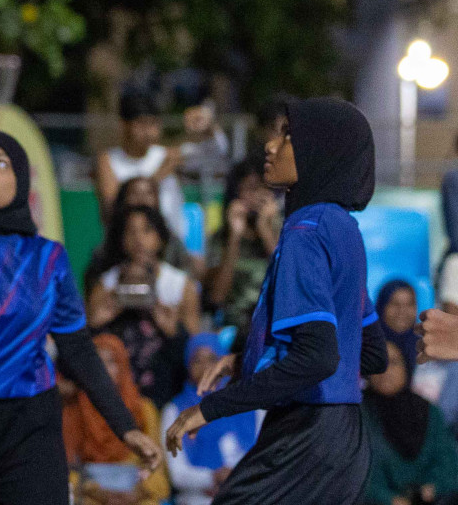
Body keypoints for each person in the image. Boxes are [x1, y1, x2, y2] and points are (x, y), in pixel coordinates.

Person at [165, 97, 388, 505]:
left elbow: (319, 357)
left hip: (305, 436)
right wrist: (253, 357)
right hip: (346, 443)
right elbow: (371, 354)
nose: (271, 145)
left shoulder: (304, 232)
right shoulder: (343, 229)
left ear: (321, 151)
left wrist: (210, 408)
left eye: (287, 135)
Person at [0, 130, 162, 505]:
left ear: (21, 181)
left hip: (30, 418)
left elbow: (77, 348)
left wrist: (125, 426)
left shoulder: (48, 258)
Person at [87, 204, 201, 407]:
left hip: (166, 394)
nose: (138, 239)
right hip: (117, 395)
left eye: (147, 230)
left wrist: (172, 330)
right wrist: (95, 323)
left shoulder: (181, 285)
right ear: (121, 240)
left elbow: (196, 349)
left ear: (160, 237)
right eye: (130, 231)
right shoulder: (106, 286)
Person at [62, 334, 171, 505]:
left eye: (111, 362)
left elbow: (159, 475)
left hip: (136, 495)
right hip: (90, 495)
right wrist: (96, 491)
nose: (103, 369)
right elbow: (66, 470)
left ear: (122, 366)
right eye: (97, 362)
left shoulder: (143, 409)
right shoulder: (75, 409)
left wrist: (137, 492)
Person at [159, 334, 259, 505]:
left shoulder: (250, 405)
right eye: (197, 361)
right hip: (200, 498)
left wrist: (238, 478)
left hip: (249, 494)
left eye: (212, 359)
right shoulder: (175, 410)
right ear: (187, 365)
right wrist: (213, 477)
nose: (205, 366)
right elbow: (178, 473)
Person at [363, 344, 458, 505]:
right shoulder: (357, 415)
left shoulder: (427, 410)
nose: (385, 371)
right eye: (378, 363)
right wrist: (390, 500)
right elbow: (353, 473)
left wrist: (431, 488)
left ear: (406, 366)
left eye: (393, 362)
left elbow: (448, 463)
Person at [203, 156, 282, 332]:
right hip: (234, 328)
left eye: (262, 188)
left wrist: (266, 231)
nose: (256, 196)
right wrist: (234, 238)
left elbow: (288, 278)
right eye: (250, 189)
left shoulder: (283, 231)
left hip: (274, 323)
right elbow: (217, 297)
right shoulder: (220, 238)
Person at [96, 91, 186, 240]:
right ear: (124, 125)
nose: (148, 132)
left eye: (153, 124)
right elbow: (111, 211)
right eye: (141, 124)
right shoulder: (108, 160)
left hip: (171, 242)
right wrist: (156, 178)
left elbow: (215, 152)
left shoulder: (167, 155)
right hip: (127, 247)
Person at [86, 177, 195, 288]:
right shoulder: (105, 253)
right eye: (134, 193)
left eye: (148, 193)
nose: (141, 199)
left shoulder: (174, 247)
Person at [380, 279, 422, 374]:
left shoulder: (424, 348)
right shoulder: (366, 347)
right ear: (382, 306)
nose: (402, 311)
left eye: (409, 304)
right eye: (395, 304)